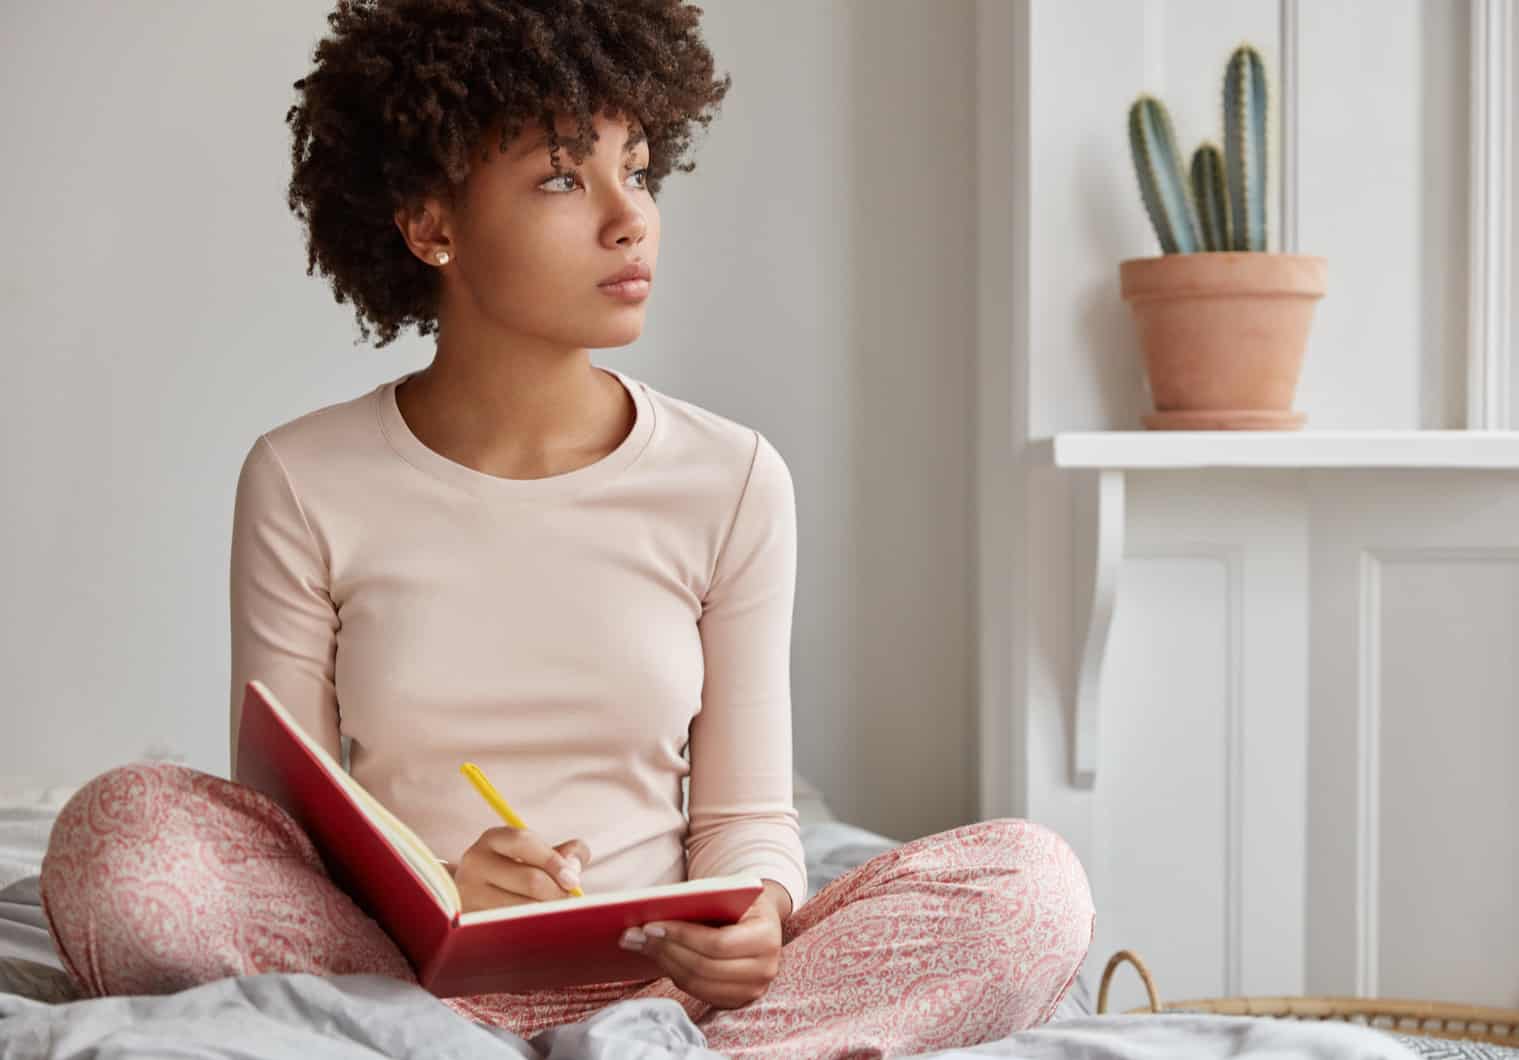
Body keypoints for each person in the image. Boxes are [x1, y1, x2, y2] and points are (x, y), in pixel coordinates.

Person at [37, 1, 1095, 1056]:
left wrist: (761, 916)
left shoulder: (732, 478)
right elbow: (285, 833)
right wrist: (439, 887)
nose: (627, 216)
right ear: (430, 224)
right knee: (120, 837)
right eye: (560, 177)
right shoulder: (302, 477)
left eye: (635, 169)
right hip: (396, 974)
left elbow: (744, 821)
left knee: (1030, 890)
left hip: (668, 993)